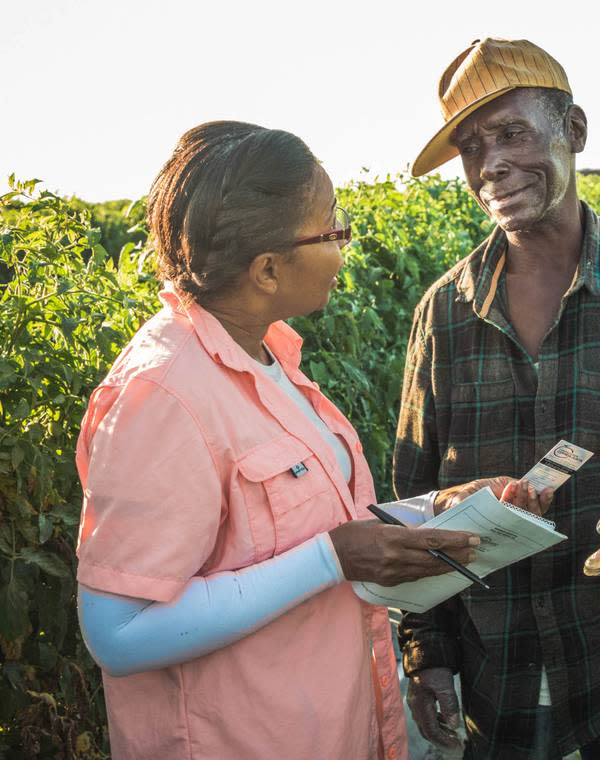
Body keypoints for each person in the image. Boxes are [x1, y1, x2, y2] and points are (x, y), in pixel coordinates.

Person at [73, 121, 548, 760]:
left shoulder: (266, 357)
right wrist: (331, 559)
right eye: (332, 227)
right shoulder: (163, 396)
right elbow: (119, 633)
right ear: (268, 269)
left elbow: (320, 530)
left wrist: (442, 508)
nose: (346, 242)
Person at [394, 38, 600, 759]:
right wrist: (428, 652)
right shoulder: (444, 313)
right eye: (472, 148)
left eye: (512, 132)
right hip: (494, 675)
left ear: (574, 131)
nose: (491, 165)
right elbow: (414, 496)